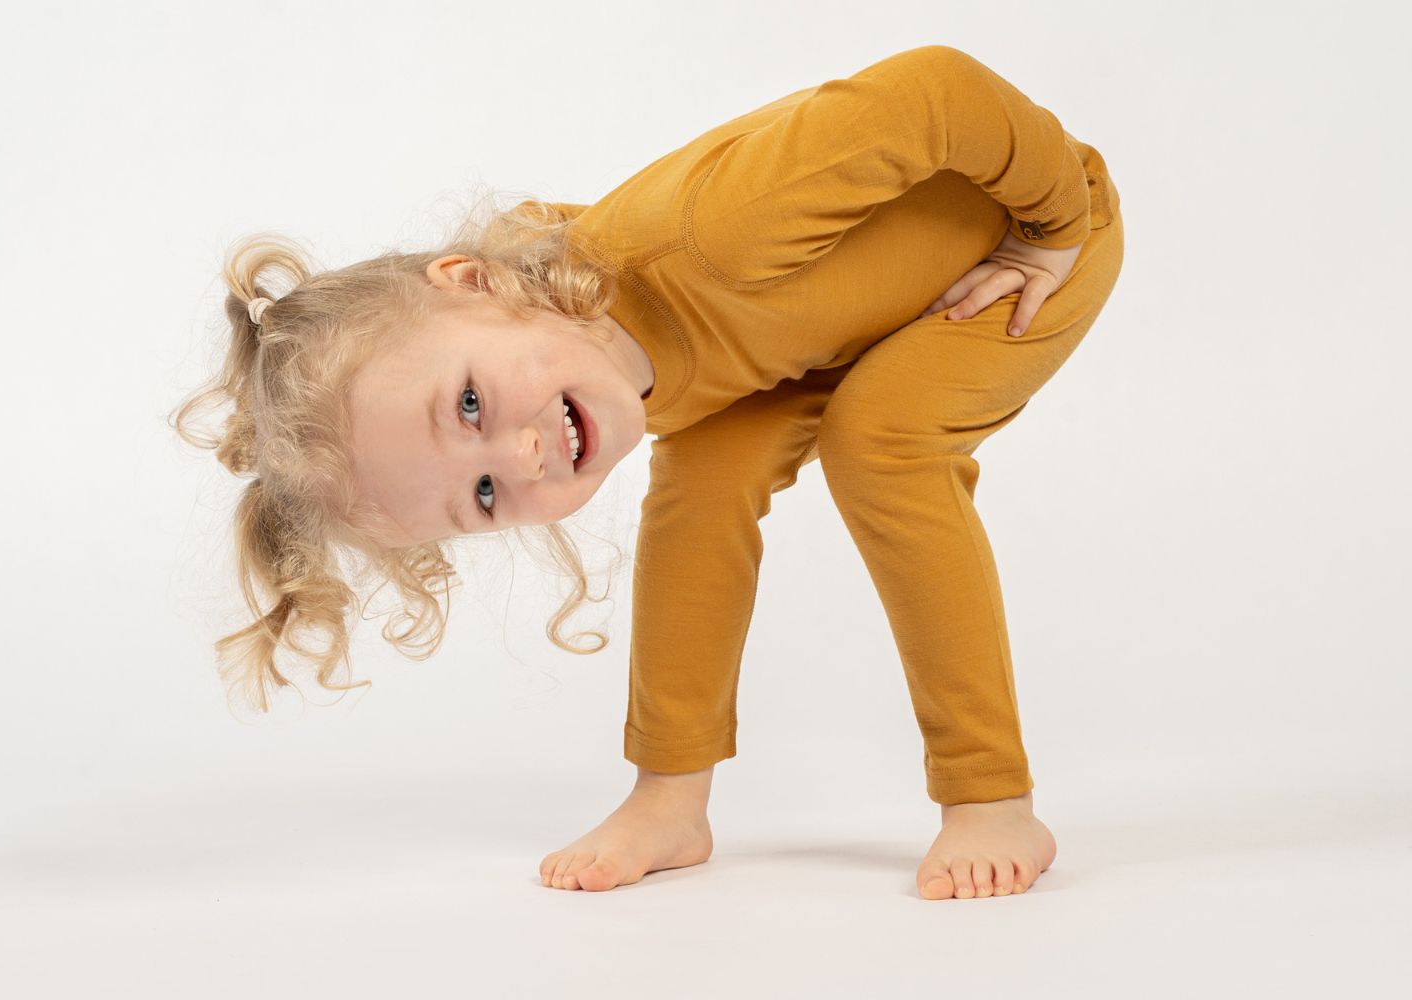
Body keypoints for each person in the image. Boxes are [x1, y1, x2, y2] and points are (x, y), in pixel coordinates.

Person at [170, 43, 1124, 901]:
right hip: (829, 330)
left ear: (477, 282)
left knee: (878, 447)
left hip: (1022, 242)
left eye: (468, 405)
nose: (522, 456)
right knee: (698, 493)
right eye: (485, 496)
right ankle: (670, 802)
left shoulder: (716, 232)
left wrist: (1049, 226)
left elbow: (937, 90)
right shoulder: (601, 357)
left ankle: (992, 799)